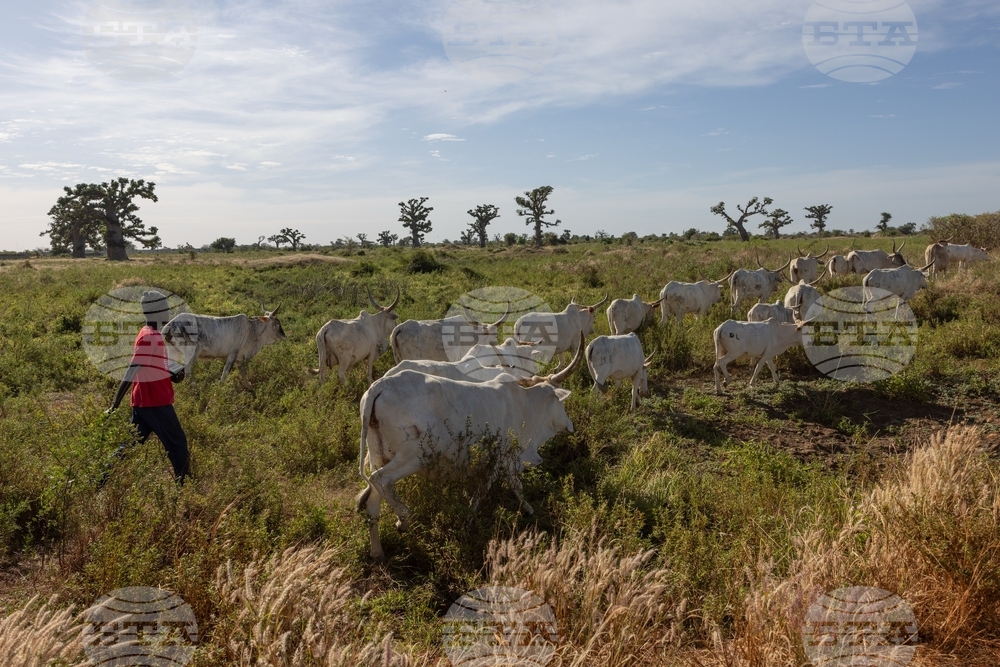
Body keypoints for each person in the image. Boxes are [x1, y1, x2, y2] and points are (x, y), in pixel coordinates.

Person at [99, 290, 190, 486]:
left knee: (128, 447)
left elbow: (151, 367)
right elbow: (132, 370)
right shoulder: (150, 337)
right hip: (156, 404)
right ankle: (187, 492)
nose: (168, 313)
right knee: (178, 445)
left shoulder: (148, 333)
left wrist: (173, 375)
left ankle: (99, 481)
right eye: (165, 309)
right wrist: (114, 405)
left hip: (143, 404)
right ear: (155, 311)